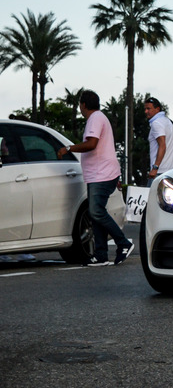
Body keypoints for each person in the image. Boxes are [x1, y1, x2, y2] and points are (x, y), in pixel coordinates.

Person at [56, 90, 134, 266]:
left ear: (83, 105)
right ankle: (101, 255)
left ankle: (123, 243)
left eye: (80, 105)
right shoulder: (99, 118)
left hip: (102, 174)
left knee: (96, 211)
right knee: (96, 213)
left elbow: (92, 144)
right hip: (100, 174)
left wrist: (68, 148)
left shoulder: (95, 119)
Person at [143, 97, 173, 186]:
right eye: (145, 109)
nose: (146, 112)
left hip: (160, 172)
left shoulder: (156, 123)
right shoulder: (168, 122)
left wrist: (155, 168)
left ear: (157, 109)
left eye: (148, 109)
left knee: (149, 198)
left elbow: (162, 145)